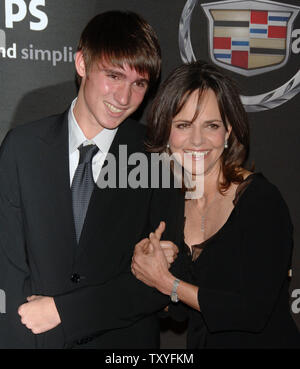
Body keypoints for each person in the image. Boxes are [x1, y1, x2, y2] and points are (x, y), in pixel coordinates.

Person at [0, 11, 183, 349]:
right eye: (114, 76)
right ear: (82, 64)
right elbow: (7, 271)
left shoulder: (157, 158)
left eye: (139, 84)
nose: (124, 97)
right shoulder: (21, 148)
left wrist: (65, 312)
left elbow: (161, 283)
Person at [131, 61, 300, 348]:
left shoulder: (259, 200)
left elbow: (252, 312)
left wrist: (167, 282)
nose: (197, 140)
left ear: (228, 131)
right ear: (166, 133)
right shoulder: (172, 204)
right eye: (183, 125)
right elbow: (181, 313)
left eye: (211, 125)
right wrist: (151, 265)